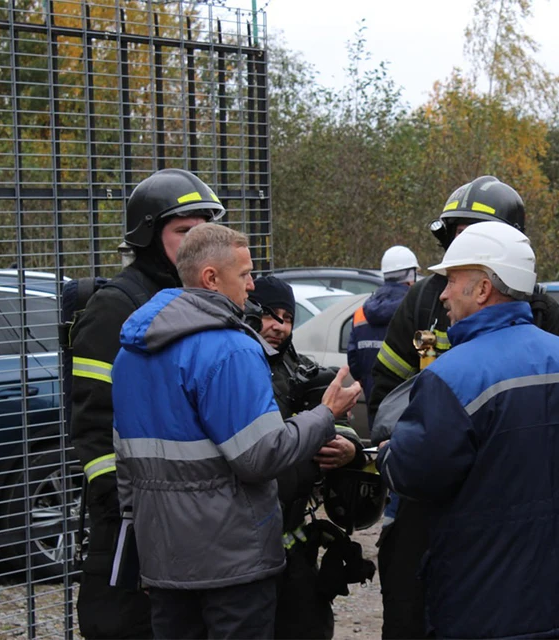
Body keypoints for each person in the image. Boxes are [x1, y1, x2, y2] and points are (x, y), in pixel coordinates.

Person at [112, 223, 361, 639]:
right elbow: (259, 457)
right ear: (211, 278)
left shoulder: (129, 355)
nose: (250, 285)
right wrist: (324, 414)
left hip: (165, 564)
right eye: (244, 274)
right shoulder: (231, 347)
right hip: (232, 568)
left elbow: (126, 469)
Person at [376, 221, 559, 638]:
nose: (444, 294)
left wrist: (388, 450)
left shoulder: (451, 377)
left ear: (483, 289)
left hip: (477, 604)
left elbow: (412, 475)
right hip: (553, 602)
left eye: (451, 280)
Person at [70, 168, 225, 639]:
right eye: (184, 231)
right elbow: (93, 422)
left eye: (204, 230)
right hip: (131, 526)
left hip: (195, 521)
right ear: (148, 234)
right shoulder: (115, 308)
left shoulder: (203, 300)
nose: (197, 241)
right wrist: (123, 508)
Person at [246, 275, 369, 640]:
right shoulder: (239, 369)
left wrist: (350, 449)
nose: (279, 326)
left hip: (294, 544)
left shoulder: (297, 368)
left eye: (287, 317)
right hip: (246, 548)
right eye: (269, 314)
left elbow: (334, 422)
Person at [348, 245, 419, 421]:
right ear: (411, 276)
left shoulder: (361, 312)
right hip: (408, 402)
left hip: (375, 403)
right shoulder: (415, 308)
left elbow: (354, 360)